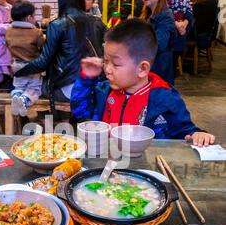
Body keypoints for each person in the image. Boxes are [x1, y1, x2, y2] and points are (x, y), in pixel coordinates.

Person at [71, 19, 215, 146]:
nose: (107, 69)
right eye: (106, 61)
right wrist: (86, 80)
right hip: (109, 162)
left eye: (115, 64)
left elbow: (184, 131)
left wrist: (198, 134)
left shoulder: (165, 98)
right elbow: (79, 110)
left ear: (142, 69)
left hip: (147, 167)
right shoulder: (103, 91)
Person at [13, 0, 106, 107]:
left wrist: (18, 71)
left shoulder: (57, 24)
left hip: (70, 91)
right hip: (97, 88)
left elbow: (43, 62)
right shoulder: (97, 22)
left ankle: (37, 122)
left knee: (31, 85)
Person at [5, 0, 45, 116]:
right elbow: (43, 47)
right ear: (29, 18)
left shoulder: (8, 31)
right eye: (34, 16)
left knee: (19, 86)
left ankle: (17, 96)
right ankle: (25, 100)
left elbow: (7, 45)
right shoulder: (36, 32)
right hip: (32, 66)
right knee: (34, 89)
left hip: (16, 66)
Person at [140, 0, 176, 85]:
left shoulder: (165, 16)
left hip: (160, 67)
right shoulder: (148, 14)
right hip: (150, 63)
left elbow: (160, 44)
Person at [164, 0, 194, 73]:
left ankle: (170, 86)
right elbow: (164, 9)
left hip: (182, 30)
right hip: (169, 28)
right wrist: (176, 24)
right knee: (166, 61)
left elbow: (189, 9)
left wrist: (185, 23)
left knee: (175, 59)